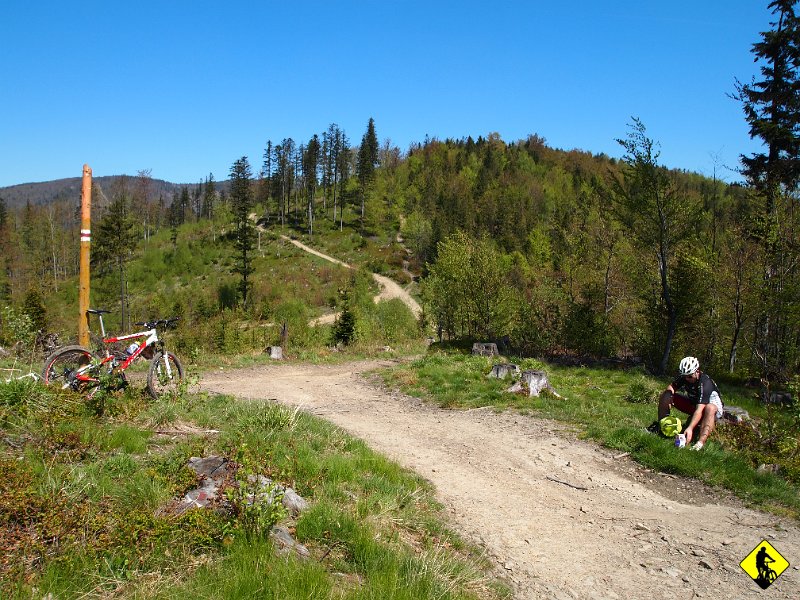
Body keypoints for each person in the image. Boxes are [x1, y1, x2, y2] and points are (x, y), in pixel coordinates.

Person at [658, 356, 723, 451]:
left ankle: (700, 443)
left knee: (710, 408)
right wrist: (670, 396)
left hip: (711, 410)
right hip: (695, 405)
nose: (687, 379)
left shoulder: (705, 383)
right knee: (666, 395)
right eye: (684, 376)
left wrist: (690, 428)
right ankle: (663, 426)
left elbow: (700, 410)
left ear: (697, 371)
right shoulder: (685, 377)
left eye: (689, 376)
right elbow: (670, 388)